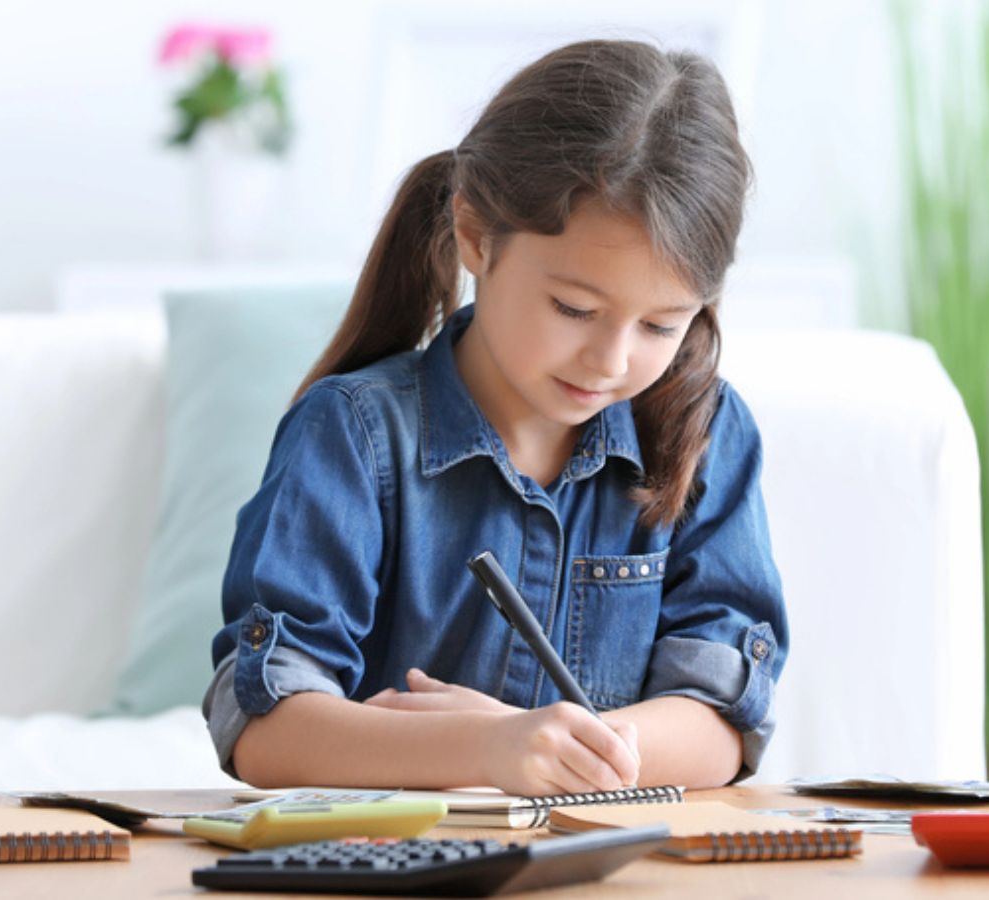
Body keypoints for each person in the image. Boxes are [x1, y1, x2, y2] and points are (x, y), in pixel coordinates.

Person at [201, 39, 786, 795]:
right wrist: (486, 748)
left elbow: (726, 721)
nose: (610, 360)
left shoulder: (703, 431)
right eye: (575, 307)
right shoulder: (352, 432)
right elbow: (262, 723)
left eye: (660, 325)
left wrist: (558, 752)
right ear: (476, 236)